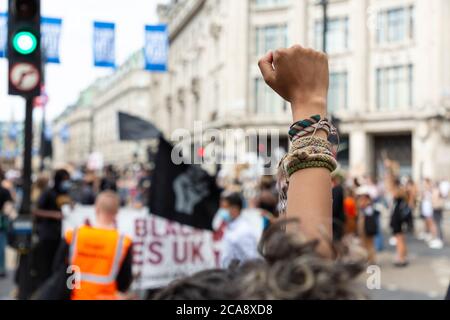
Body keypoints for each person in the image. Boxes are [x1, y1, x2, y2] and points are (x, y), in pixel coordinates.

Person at [52, 191, 133, 300]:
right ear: (116, 212)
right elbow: (124, 281)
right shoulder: (123, 242)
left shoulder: (73, 236)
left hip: (76, 296)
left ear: (96, 208)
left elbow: (58, 268)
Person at [31, 169, 73, 292]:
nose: (66, 183)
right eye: (64, 180)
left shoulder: (65, 194)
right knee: (46, 266)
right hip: (47, 235)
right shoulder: (48, 193)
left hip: (60, 236)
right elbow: (36, 211)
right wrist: (54, 215)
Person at [220, 192, 261, 268]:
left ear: (235, 208)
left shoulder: (243, 231)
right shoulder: (231, 227)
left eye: (225, 207)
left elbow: (252, 259)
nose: (222, 211)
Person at [356, 187, 380, 264]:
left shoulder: (368, 205)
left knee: (369, 244)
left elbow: (367, 213)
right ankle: (368, 259)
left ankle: (372, 259)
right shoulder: (366, 204)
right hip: (364, 226)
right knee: (364, 244)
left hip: (367, 227)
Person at [0, 169, 16, 278]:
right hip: (2, 221)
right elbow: (9, 206)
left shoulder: (4, 191)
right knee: (1, 247)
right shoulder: (5, 191)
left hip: (2, 222)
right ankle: (1, 268)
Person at [332, 174, 346, 242]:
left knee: (337, 239)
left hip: (337, 218)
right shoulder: (338, 189)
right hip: (337, 217)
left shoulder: (337, 189)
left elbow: (335, 206)